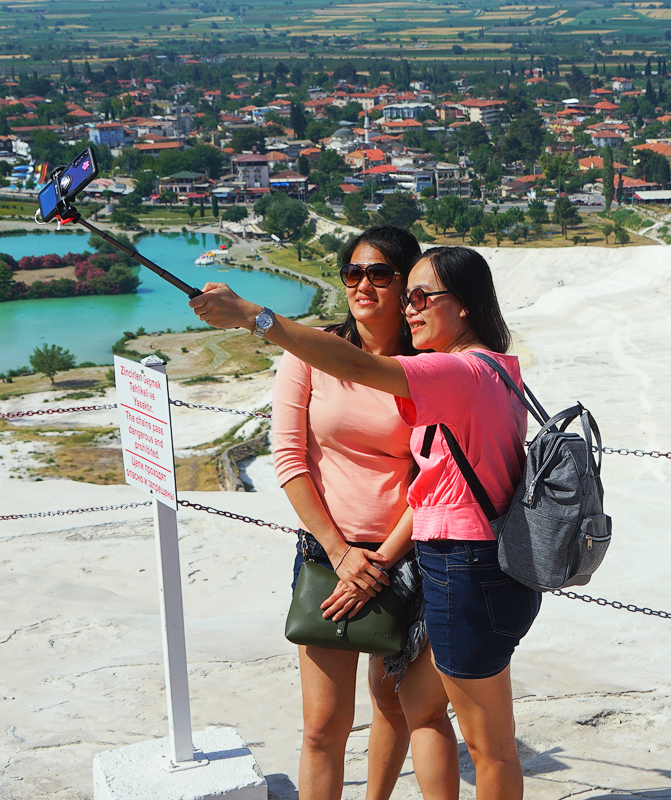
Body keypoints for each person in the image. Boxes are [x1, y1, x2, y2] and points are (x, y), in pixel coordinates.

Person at [192, 245, 540, 800]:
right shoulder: (491, 367)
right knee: (420, 707)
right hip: (457, 564)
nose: (411, 308)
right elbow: (427, 477)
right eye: (410, 298)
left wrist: (255, 316)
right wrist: (350, 553)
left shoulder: (455, 370)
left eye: (420, 296)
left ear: (465, 304)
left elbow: (355, 368)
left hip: (465, 567)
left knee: (489, 745)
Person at [272, 226, 455, 800]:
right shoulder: (311, 351)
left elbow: (434, 475)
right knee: (323, 726)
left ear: (406, 287)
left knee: (393, 703)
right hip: (327, 555)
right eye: (353, 273)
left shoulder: (429, 366)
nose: (362, 285)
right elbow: (289, 459)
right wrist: (341, 554)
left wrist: (379, 561)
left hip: (406, 556)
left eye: (379, 273)